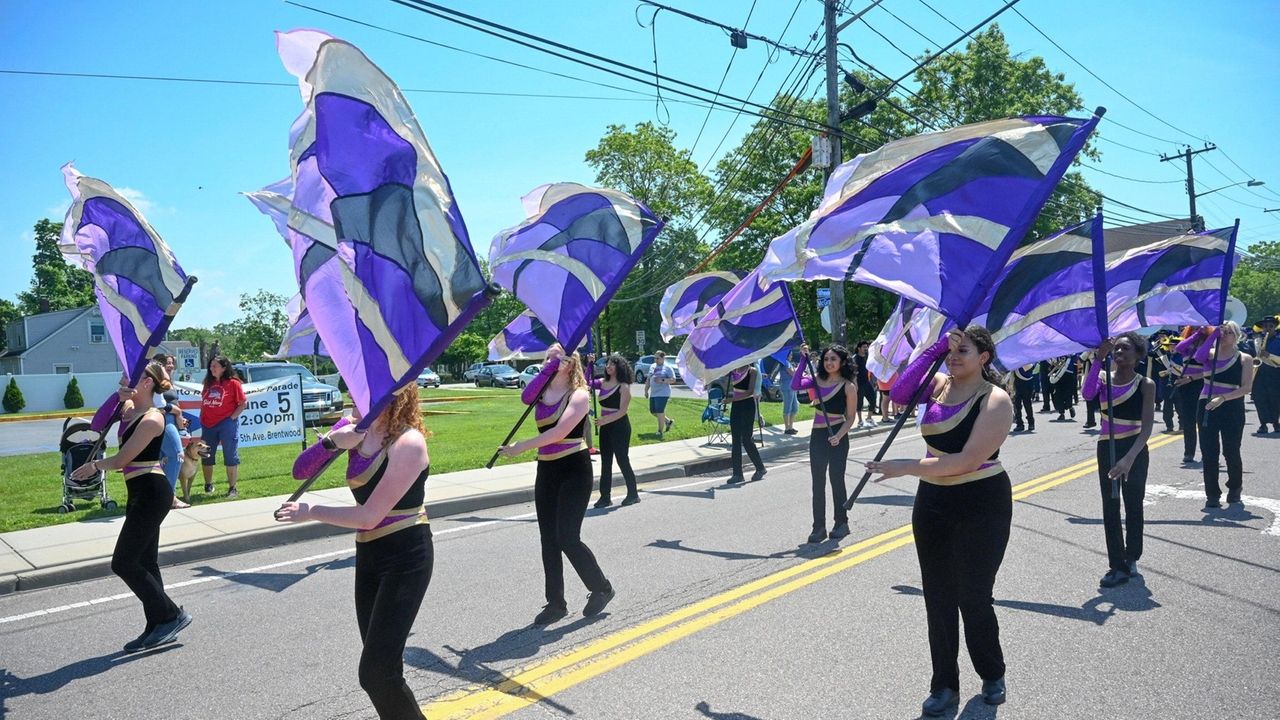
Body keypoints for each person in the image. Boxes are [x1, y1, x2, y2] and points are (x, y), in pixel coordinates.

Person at [865, 326, 1013, 716]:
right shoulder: (939, 386)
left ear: (984, 357)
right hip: (933, 502)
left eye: (962, 350)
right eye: (951, 350)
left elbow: (966, 460)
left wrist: (906, 467)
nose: (954, 356)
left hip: (982, 501)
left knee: (973, 595)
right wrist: (933, 350)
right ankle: (944, 684)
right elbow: (898, 393)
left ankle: (992, 672)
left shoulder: (995, 400)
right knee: (938, 597)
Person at [275, 385, 432, 719]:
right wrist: (333, 441)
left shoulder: (408, 443)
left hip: (407, 555)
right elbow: (301, 471)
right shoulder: (352, 428)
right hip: (370, 556)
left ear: (390, 396)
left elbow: (369, 516)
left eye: (363, 389)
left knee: (376, 673)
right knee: (384, 671)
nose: (352, 396)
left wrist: (311, 510)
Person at [71, 361, 192, 652]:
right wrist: (118, 396)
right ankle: (157, 625)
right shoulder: (128, 411)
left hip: (152, 491)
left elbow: (122, 460)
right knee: (146, 562)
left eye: (133, 376)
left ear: (148, 382)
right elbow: (98, 423)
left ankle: (171, 615)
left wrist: (94, 466)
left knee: (123, 562)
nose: (125, 379)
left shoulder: (153, 418)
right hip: (138, 491)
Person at [501, 345, 615, 625]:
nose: (549, 360)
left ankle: (601, 587)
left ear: (569, 361)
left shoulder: (579, 394)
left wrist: (521, 447)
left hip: (574, 469)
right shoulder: (541, 392)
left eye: (556, 356)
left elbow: (560, 432)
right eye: (547, 357)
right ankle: (555, 603)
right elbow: (526, 397)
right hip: (547, 469)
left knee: (567, 537)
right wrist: (548, 370)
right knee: (548, 539)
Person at [1082, 334, 1155, 588]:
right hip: (1107, 447)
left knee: (1133, 503)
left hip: (1134, 449)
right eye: (1117, 347)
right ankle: (1117, 565)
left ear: (1137, 355)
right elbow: (1087, 394)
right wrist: (1098, 358)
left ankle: (1132, 555)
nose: (1119, 351)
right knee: (1110, 505)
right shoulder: (1103, 379)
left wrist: (1129, 459)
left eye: (1126, 348)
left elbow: (1146, 428)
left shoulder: (1145, 384)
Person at [1179, 323, 1254, 508]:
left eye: (1229, 333)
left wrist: (1223, 398)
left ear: (1237, 336)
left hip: (1232, 407)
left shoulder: (1245, 358)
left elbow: (1246, 388)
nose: (1225, 335)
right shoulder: (1209, 355)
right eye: (1223, 332)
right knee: (1209, 452)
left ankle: (1235, 487)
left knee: (1231, 451)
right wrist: (1209, 334)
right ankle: (1212, 494)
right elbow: (1195, 354)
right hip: (1206, 406)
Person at [792, 343, 859, 543]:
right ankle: (818, 527)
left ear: (842, 362)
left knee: (836, 480)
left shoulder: (849, 386)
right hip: (817, 436)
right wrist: (803, 360)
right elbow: (795, 385)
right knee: (817, 483)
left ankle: (841, 522)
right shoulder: (817, 380)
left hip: (838, 436)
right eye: (826, 359)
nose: (829, 362)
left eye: (833, 359)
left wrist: (839, 436)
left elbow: (851, 417)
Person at [591, 353, 639, 508]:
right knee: (606, 462)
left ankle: (633, 494)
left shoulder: (624, 387)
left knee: (622, 459)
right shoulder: (603, 383)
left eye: (612, 364)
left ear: (620, 367)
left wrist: (605, 420)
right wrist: (590, 364)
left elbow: (622, 411)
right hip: (605, 426)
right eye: (607, 364)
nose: (608, 366)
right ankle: (605, 497)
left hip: (620, 427)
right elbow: (585, 382)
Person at [200, 356, 246, 498]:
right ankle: (208, 485)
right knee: (206, 454)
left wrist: (231, 419)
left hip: (226, 423)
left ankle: (232, 488)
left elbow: (242, 403)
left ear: (224, 368)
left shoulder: (233, 383)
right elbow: (204, 400)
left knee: (230, 454)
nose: (212, 368)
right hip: (208, 423)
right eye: (211, 366)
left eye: (215, 366)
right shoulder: (208, 382)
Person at [152, 353, 191, 508]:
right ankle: (170, 497)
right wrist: (176, 412)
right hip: (163, 419)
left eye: (172, 363)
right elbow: (157, 404)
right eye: (167, 363)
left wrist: (179, 417)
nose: (170, 366)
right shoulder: (156, 380)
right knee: (177, 455)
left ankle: (160, 496)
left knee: (163, 460)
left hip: (171, 420)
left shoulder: (168, 380)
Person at [727, 362, 766, 484]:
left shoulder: (752, 371)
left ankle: (760, 468)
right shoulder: (733, 370)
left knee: (747, 438)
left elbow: (750, 391)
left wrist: (732, 398)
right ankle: (737, 474)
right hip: (736, 406)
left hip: (747, 405)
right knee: (735, 439)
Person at [1172, 326, 1206, 464]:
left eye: (1198, 329)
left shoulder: (1208, 347)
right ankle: (1189, 452)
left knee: (1203, 422)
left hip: (1202, 384)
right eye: (1193, 329)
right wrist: (1195, 335)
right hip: (1186, 387)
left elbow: (1210, 370)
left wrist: (1192, 378)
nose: (1196, 331)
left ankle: (1207, 451)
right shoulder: (1187, 346)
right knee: (1188, 422)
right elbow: (1179, 347)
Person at [1248, 315, 1280, 435]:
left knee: (1275, 400)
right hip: (1259, 374)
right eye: (1265, 326)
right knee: (1259, 399)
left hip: (1275, 374)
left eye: (1270, 326)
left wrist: (1269, 356)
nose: (1267, 328)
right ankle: (1263, 424)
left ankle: (1276, 423)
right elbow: (1249, 355)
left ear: (1275, 327)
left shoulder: (1279, 341)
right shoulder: (1256, 341)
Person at [644, 350, 675, 437]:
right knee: (653, 411)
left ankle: (660, 431)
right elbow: (649, 379)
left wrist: (662, 380)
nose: (656, 360)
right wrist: (646, 390)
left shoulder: (667, 367)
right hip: (653, 393)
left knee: (660, 411)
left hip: (663, 393)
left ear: (663, 358)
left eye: (658, 358)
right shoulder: (652, 366)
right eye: (655, 358)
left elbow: (673, 380)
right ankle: (668, 422)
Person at [855, 340, 878, 421]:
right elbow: (854, 373)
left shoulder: (867, 357)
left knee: (873, 399)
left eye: (866, 347)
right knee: (859, 403)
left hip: (867, 382)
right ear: (859, 348)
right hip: (859, 383)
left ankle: (869, 418)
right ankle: (860, 420)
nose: (866, 348)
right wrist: (855, 384)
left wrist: (874, 381)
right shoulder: (855, 358)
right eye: (864, 347)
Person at [1010, 363, 1037, 433]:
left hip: (1027, 381)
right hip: (1017, 382)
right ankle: (1019, 423)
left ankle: (1031, 422)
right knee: (1017, 404)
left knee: (1027, 403)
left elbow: (1032, 366)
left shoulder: (1029, 356)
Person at [779, 350, 800, 435]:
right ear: (787, 355)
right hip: (787, 387)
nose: (791, 356)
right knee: (787, 407)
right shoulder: (785, 362)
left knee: (795, 407)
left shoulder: (788, 363)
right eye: (790, 355)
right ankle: (787, 428)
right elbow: (792, 373)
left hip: (792, 387)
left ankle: (791, 426)